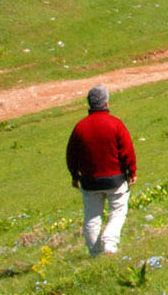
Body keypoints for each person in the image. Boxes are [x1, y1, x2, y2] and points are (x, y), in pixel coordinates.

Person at [65, 84, 136, 256]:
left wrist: (75, 176)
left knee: (92, 217)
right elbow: (127, 150)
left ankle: (95, 253)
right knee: (118, 212)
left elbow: (71, 154)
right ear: (106, 103)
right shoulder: (115, 124)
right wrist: (131, 172)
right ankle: (109, 244)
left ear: (89, 104)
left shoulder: (80, 127)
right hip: (115, 179)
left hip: (89, 181)